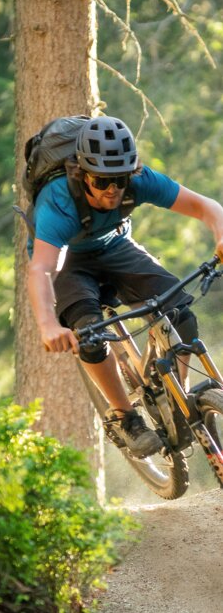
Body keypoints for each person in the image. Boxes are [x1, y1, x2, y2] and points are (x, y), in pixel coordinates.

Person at [27, 115, 223, 458]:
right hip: (67, 260)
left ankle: (180, 401)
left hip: (115, 246)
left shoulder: (139, 181)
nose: (113, 190)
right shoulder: (59, 201)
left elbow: (209, 208)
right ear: (83, 174)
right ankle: (124, 416)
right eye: (103, 181)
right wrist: (46, 324)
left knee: (179, 310)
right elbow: (43, 269)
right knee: (89, 332)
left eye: (120, 179)